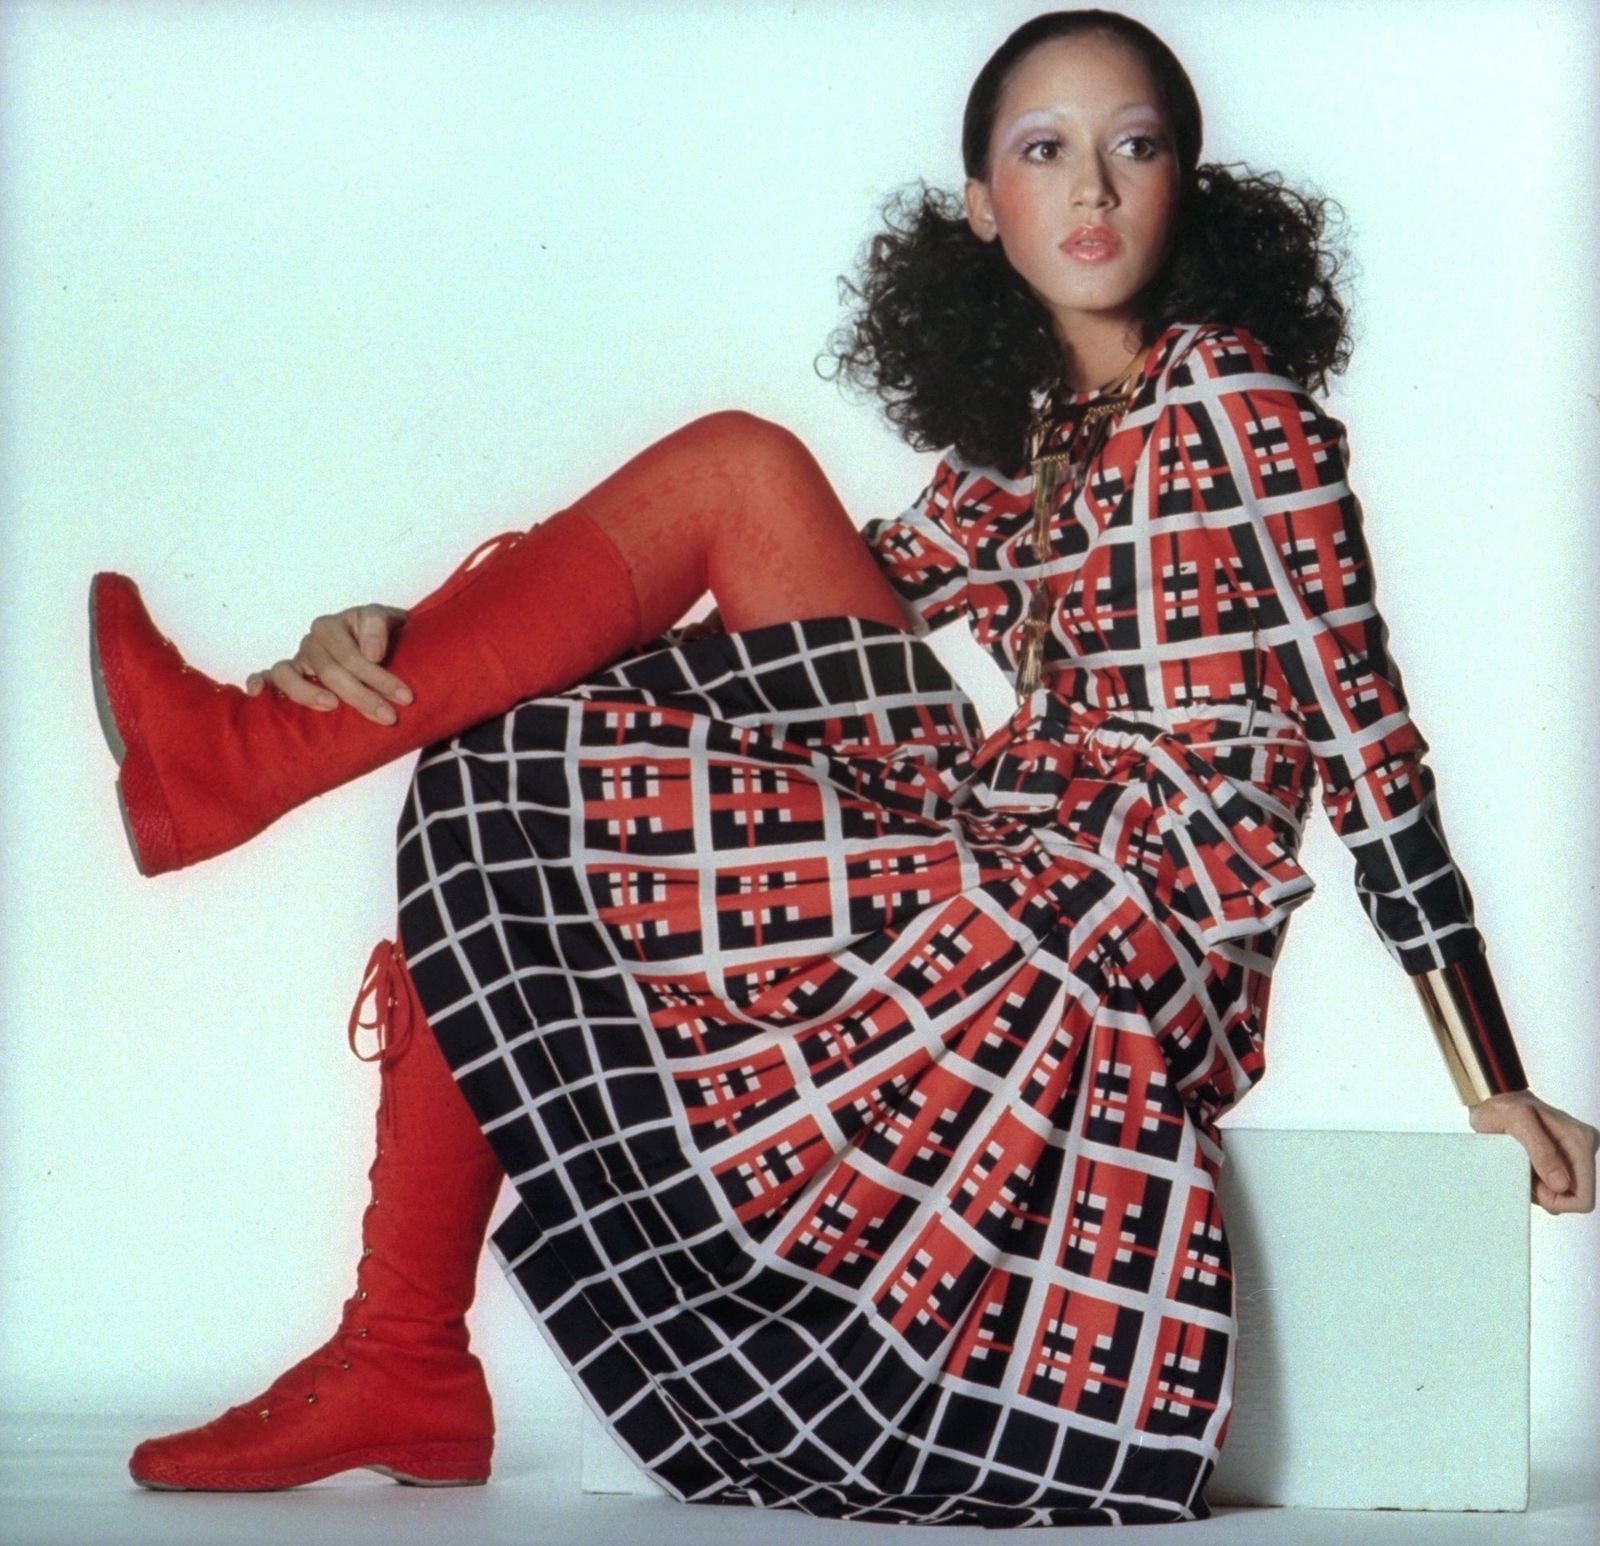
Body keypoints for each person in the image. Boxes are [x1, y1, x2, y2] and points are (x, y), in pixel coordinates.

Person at [89, 6, 1597, 1529]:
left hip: (1117, 927)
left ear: (1185, 186)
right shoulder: (1034, 448)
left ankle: (251, 769)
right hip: (1004, 840)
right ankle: (397, 1347)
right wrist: (411, 638)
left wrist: (1494, 1081)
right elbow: (770, 614)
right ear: (980, 207)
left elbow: (1369, 738)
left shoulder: (1235, 399)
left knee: (732, 476)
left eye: (1133, 148)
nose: (1090, 190)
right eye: (1044, 153)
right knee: (524, 761)